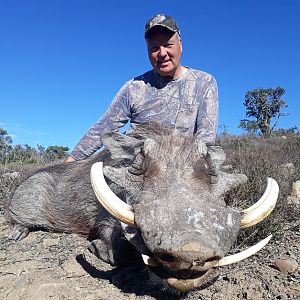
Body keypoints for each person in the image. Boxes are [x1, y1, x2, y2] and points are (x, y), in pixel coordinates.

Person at [65, 14, 218, 163]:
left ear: (180, 45)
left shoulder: (204, 82)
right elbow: (103, 128)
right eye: (154, 48)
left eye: (168, 45)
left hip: (179, 170)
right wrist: (69, 165)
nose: (162, 53)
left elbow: (205, 138)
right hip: (135, 169)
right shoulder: (134, 87)